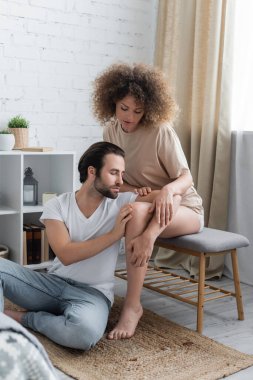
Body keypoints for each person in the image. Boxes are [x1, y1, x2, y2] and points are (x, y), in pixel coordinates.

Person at [0, 141, 167, 350]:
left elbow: (171, 198)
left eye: (122, 174)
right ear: (92, 172)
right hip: (52, 285)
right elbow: (66, 253)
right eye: (114, 173)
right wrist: (114, 234)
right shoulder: (58, 205)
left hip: (93, 295)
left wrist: (150, 234)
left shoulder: (122, 201)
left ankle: (26, 319)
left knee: (83, 334)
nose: (120, 180)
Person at [92, 63, 204, 339]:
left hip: (184, 207)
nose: (129, 117)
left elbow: (185, 178)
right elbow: (117, 182)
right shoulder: (111, 132)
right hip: (148, 200)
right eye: (123, 108)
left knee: (137, 212)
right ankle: (117, 296)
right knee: (136, 208)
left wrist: (166, 193)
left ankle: (132, 307)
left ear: (148, 109)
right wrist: (143, 191)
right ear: (112, 103)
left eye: (138, 111)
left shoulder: (160, 131)